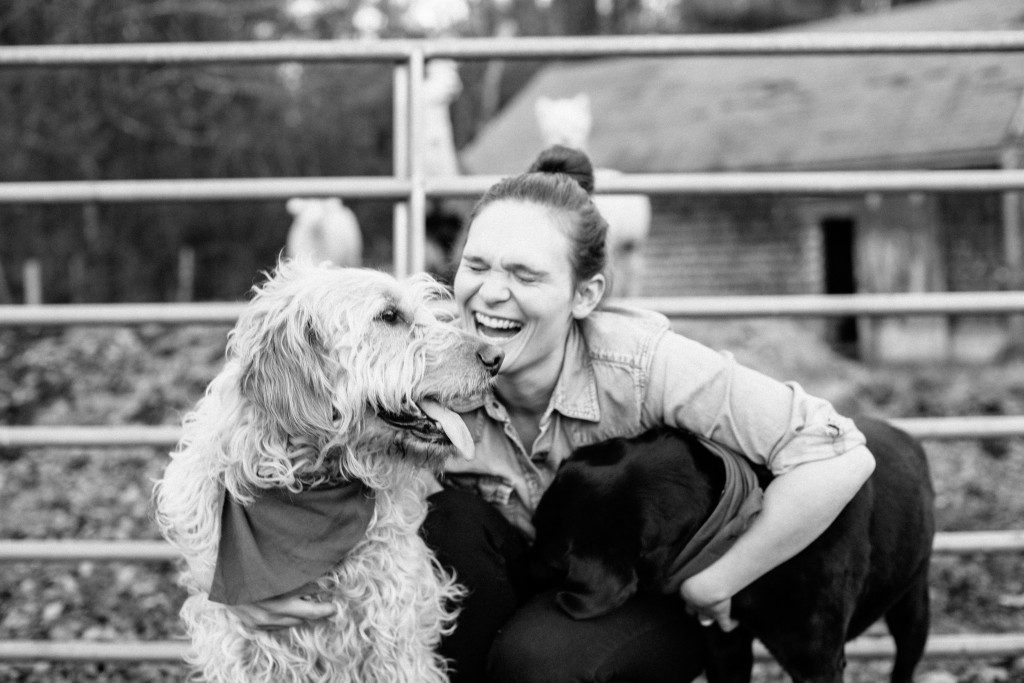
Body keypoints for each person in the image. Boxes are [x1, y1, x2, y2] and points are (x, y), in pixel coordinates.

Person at [226, 146, 876, 682]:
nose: (490, 293)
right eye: (476, 266)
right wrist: (252, 576)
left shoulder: (642, 364)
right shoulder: (427, 355)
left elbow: (838, 452)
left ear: (585, 292)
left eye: (525, 274)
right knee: (437, 512)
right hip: (511, 574)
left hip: (634, 593)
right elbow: (277, 430)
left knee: (541, 665)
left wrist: (721, 577)